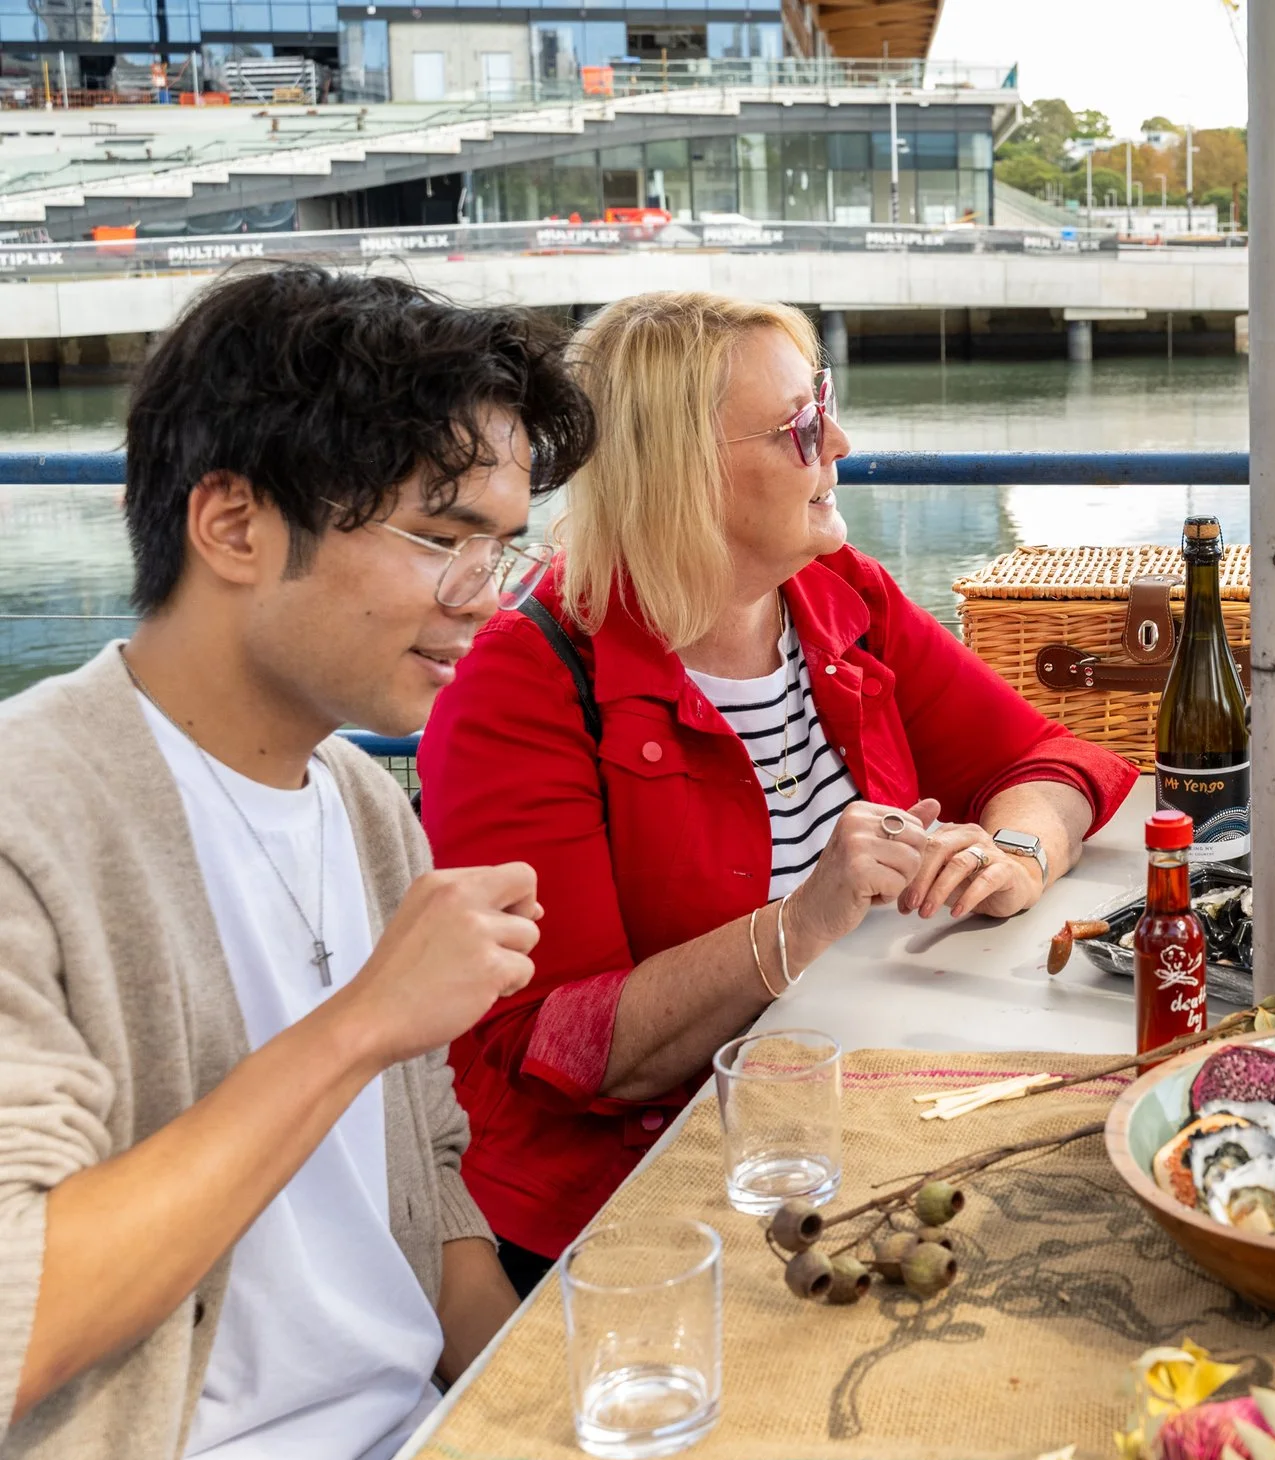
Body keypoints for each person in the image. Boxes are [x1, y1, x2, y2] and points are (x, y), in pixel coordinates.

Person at [0, 267, 592, 1460]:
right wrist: (360, 1023)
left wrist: (553, 1421)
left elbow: (436, 1203)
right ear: (232, 522)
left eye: (504, 549)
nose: (483, 600)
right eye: (442, 536)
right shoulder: (34, 818)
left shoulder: (362, 803)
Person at [420, 292, 1137, 1291]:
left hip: (838, 1135)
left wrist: (1012, 853)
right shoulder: (523, 683)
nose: (837, 438)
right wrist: (798, 925)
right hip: (632, 1222)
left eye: (825, 404)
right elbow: (554, 1045)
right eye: (801, 425)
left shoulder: (837, 597)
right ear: (680, 472)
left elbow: (1057, 763)